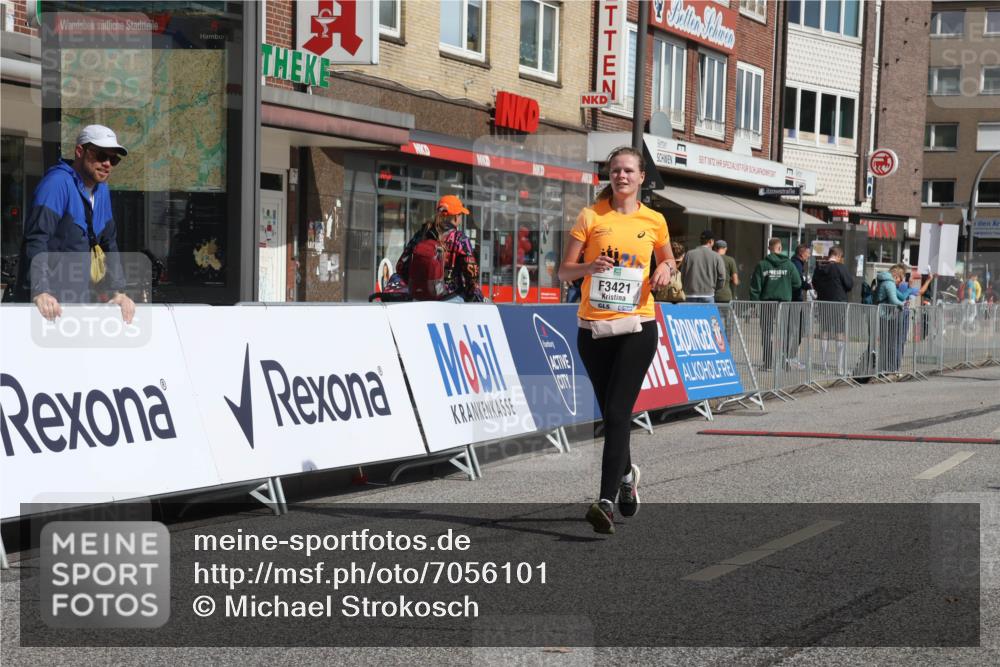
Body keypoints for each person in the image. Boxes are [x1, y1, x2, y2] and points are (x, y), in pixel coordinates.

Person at [557, 146, 675, 535]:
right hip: (593, 330)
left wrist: (665, 270)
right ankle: (626, 478)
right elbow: (563, 272)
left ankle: (605, 501)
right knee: (610, 414)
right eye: (615, 170)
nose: (621, 176)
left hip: (637, 327)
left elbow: (670, 262)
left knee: (620, 412)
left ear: (642, 177)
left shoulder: (654, 220)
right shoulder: (591, 216)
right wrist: (589, 267)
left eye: (628, 170)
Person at [16, 124, 135, 323]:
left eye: (113, 159)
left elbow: (109, 244)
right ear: (80, 151)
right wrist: (40, 291)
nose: (107, 163)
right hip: (47, 306)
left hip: (79, 302)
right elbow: (36, 239)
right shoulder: (56, 183)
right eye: (100, 156)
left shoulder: (102, 189)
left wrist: (118, 291)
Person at [396, 194, 484, 303]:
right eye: (461, 214)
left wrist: (418, 285)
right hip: (450, 299)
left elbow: (401, 266)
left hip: (419, 299)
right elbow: (472, 273)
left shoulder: (422, 234)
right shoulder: (459, 239)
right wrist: (473, 295)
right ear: (456, 216)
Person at [749, 238, 801, 370]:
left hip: (767, 303)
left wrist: (755, 304)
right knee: (783, 332)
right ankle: (784, 360)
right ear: (780, 248)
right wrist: (786, 286)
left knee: (766, 332)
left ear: (769, 248)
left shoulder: (762, 265)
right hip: (784, 303)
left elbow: (755, 287)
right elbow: (797, 283)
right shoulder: (789, 264)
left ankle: (768, 362)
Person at [811, 245, 854, 374]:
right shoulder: (841, 267)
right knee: (839, 333)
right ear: (839, 256)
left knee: (825, 332)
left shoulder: (819, 268)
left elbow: (814, 284)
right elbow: (849, 284)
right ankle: (840, 366)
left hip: (823, 302)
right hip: (839, 303)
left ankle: (824, 365)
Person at [874, 266, 906, 373]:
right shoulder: (889, 283)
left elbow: (900, 296)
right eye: (900, 279)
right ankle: (890, 369)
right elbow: (894, 300)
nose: (900, 282)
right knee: (890, 343)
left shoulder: (883, 281)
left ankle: (883, 367)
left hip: (882, 315)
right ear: (896, 276)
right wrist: (903, 305)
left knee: (885, 343)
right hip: (887, 316)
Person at [680, 229, 726, 303]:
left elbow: (682, 274)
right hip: (708, 295)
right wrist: (714, 288)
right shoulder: (716, 256)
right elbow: (722, 277)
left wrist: (685, 288)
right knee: (708, 315)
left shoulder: (689, 254)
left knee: (690, 315)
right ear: (711, 241)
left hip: (690, 294)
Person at [713, 239, 739, 303]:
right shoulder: (730, 260)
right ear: (726, 248)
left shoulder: (711, 259)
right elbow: (735, 281)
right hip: (726, 295)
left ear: (715, 248)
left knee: (712, 313)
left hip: (712, 295)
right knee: (725, 313)